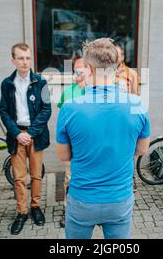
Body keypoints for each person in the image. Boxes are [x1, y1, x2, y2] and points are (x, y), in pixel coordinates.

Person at [56, 38, 150, 239]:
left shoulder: (70, 107)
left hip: (82, 198)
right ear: (116, 68)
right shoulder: (136, 104)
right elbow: (142, 150)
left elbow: (64, 156)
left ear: (88, 68)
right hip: (119, 198)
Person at [0, 43, 52, 235]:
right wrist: (17, 133)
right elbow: (3, 111)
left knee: (36, 175)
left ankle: (35, 207)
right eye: (20, 58)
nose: (25, 62)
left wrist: (30, 133)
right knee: (20, 178)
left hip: (35, 136)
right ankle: (21, 212)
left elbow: (47, 110)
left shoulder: (41, 82)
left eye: (28, 58)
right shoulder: (7, 83)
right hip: (16, 137)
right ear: (13, 60)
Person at [56, 49, 89, 228]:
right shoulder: (68, 92)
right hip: (71, 144)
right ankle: (67, 210)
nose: (78, 71)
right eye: (75, 68)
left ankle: (86, 210)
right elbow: (63, 118)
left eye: (81, 68)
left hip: (89, 146)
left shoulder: (94, 91)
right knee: (70, 178)